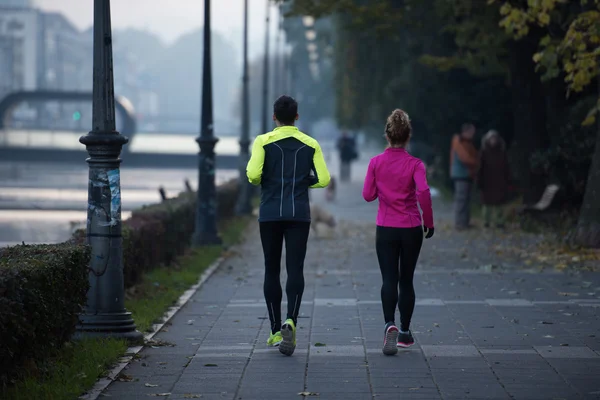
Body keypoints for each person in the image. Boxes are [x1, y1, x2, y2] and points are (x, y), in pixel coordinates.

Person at [246, 95, 330, 356]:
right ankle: (290, 320)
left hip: (270, 213)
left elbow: (252, 175)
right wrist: (305, 183)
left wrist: (269, 180)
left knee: (271, 269)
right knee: (295, 268)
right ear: (296, 117)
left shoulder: (263, 141)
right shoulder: (311, 143)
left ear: (274, 117)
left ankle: (273, 331)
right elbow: (324, 179)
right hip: (299, 214)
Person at [362, 109, 434, 356]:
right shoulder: (415, 164)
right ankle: (404, 331)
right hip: (412, 227)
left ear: (387, 134)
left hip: (386, 228)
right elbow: (423, 192)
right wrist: (429, 222)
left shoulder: (375, 163)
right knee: (407, 280)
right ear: (407, 136)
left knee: (389, 279)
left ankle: (388, 324)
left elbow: (368, 195)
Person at [477, 130, 510, 228]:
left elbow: (506, 167)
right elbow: (480, 167)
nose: (493, 141)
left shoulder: (501, 152)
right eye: (491, 138)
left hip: (499, 181)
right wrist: (479, 181)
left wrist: (507, 179)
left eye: (495, 138)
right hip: (487, 181)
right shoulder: (483, 152)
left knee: (499, 203)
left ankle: (499, 222)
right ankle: (486, 221)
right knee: (487, 204)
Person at [449, 123, 478, 230]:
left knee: (466, 198)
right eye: (471, 132)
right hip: (461, 174)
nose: (473, 134)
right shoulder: (459, 141)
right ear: (466, 132)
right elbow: (464, 157)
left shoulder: (467, 142)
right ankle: (459, 223)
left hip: (466, 173)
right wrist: (476, 162)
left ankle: (464, 222)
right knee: (461, 198)